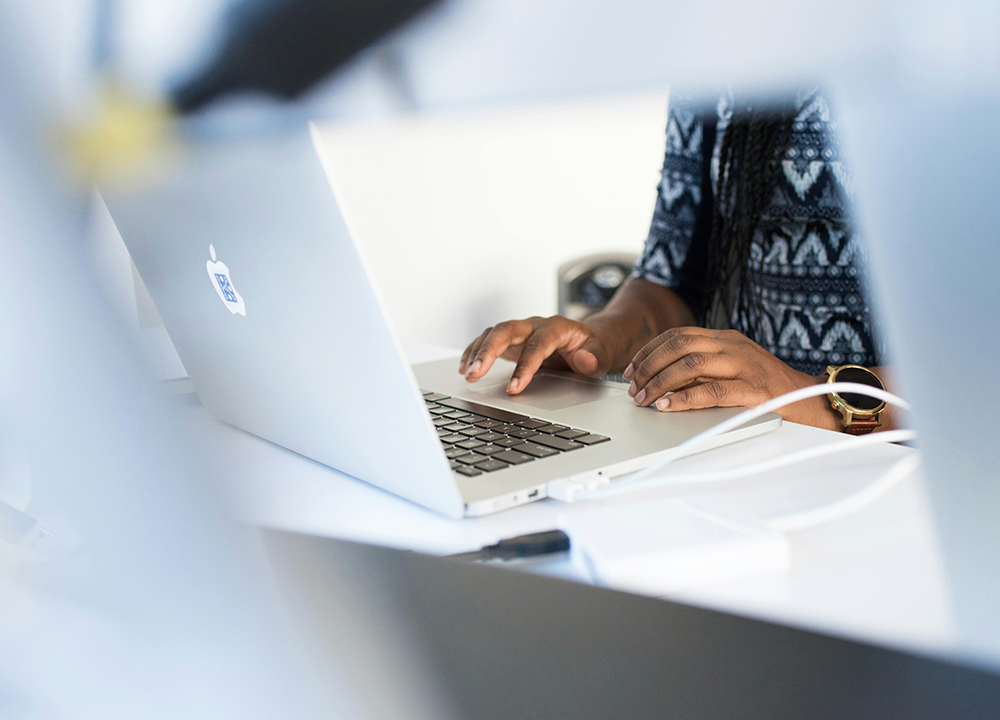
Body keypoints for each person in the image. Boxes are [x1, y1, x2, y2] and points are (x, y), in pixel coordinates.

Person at [459, 88, 894, 432]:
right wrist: (599, 339)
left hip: (907, 459)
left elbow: (946, 369)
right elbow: (676, 278)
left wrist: (811, 395)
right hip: (755, 437)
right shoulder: (715, 56)